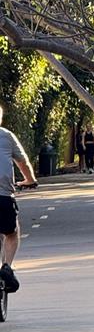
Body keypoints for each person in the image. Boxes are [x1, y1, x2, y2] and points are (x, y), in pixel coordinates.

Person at [0, 105, 37, 292]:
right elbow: (23, 162)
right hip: (3, 195)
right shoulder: (6, 135)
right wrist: (30, 180)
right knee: (11, 232)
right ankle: (6, 267)